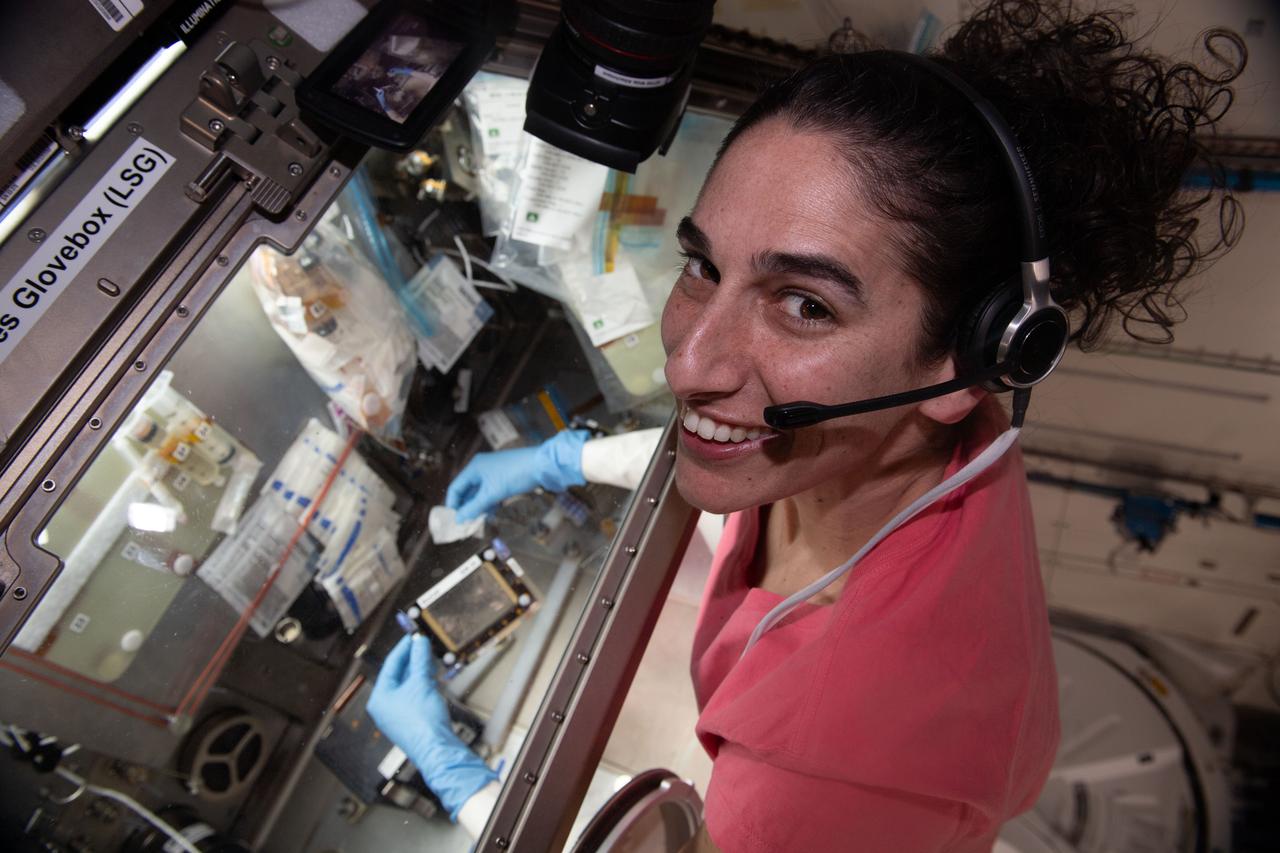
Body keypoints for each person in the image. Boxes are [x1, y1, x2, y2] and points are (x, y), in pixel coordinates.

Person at [369, 2, 1245, 849]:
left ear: (973, 363)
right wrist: (566, 457)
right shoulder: (925, 447)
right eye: (703, 264)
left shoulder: (817, 780)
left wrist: (468, 787)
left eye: (804, 304)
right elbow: (740, 447)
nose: (686, 366)